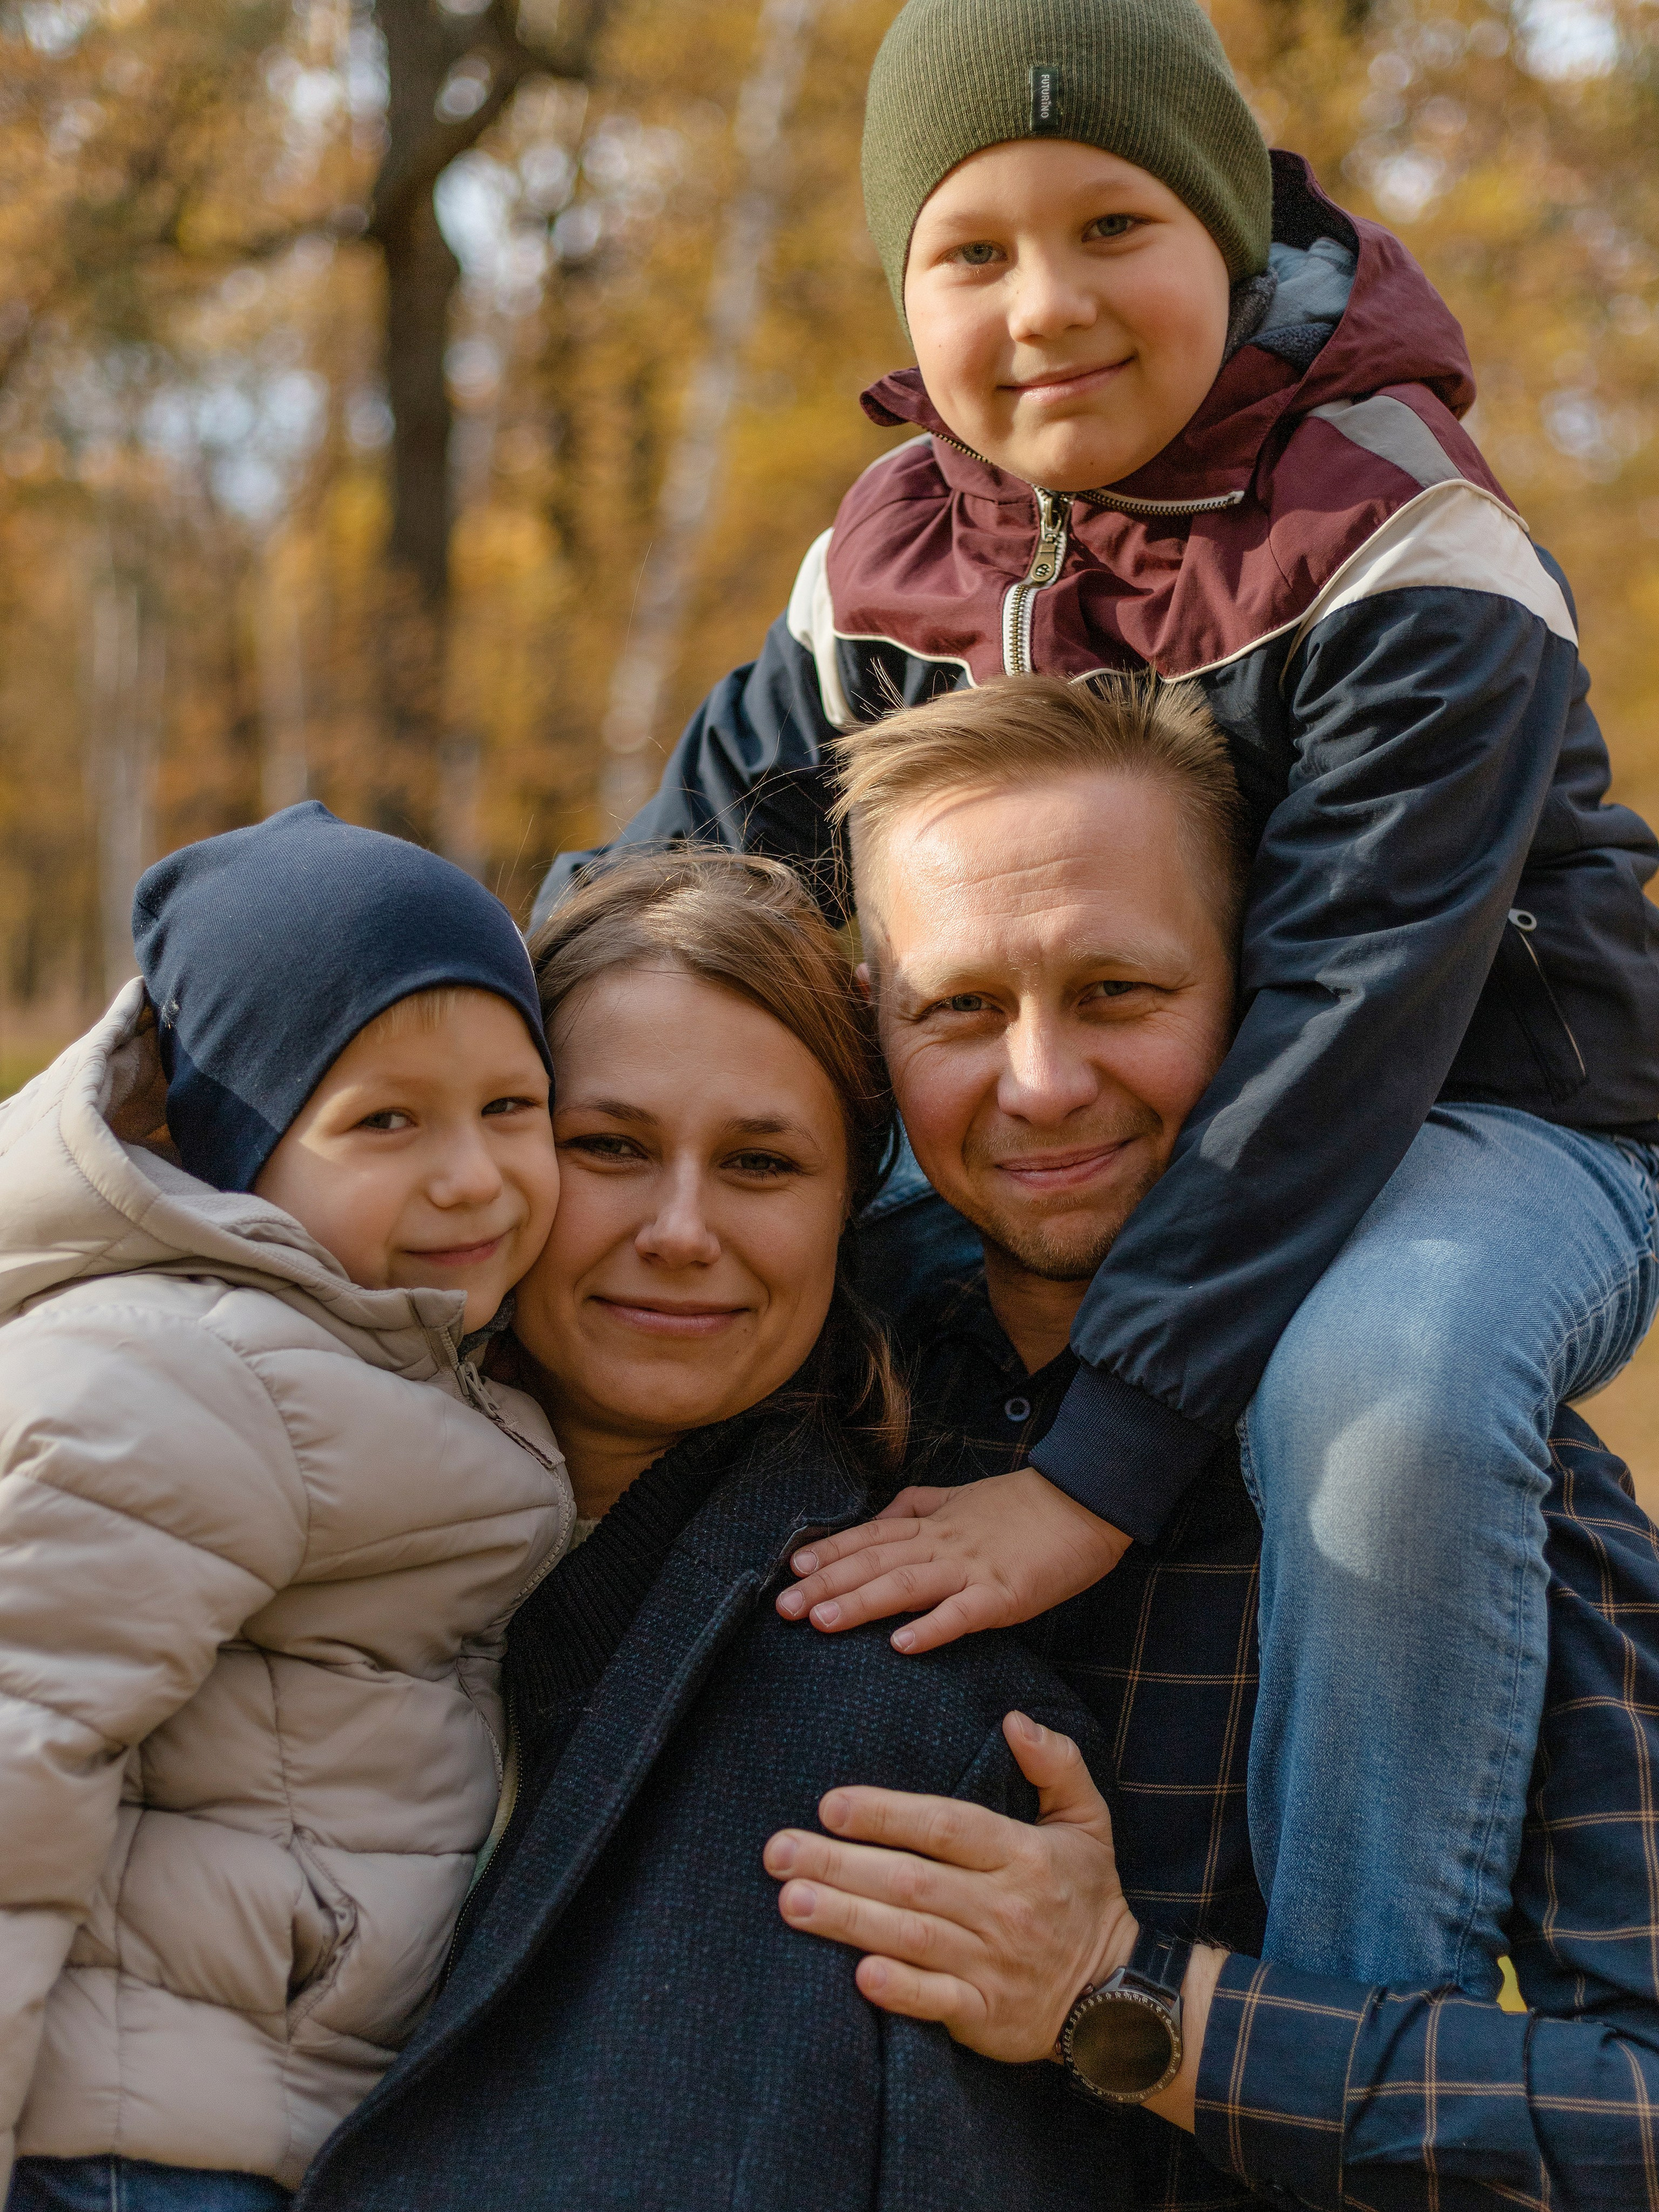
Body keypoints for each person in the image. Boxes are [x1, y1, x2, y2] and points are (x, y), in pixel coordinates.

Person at [537, 0, 1659, 1996]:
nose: (1045, 304)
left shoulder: (1404, 535)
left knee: (1382, 1394)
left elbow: (1337, 1025)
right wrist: (420, 1085)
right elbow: (663, 900)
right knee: (762, 1267)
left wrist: (1087, 1474)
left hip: (1485, 1113)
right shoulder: (877, 559)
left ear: (1230, 239)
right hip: (1142, 1105)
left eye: (1113, 226)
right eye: (974, 251)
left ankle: (1345, 1995)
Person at [755, 679, 1659, 2206]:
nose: (1039, 1084)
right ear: (873, 1034)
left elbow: (1637, 2115)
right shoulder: (793, 1397)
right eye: (959, 1008)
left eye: (1116, 992)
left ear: (1262, 1008)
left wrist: (1134, 2005)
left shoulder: (1434, 1455)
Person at [291, 848, 1154, 2212]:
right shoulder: (235, 1554)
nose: (680, 1231)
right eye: (611, 1148)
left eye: (760, 1162)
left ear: (846, 1213)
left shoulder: (911, 1742)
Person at [0, 804, 574, 2211]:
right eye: (383, 1121)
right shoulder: (184, 1371)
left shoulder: (367, 1351)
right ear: (236, 1148)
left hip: (245, 2116)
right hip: (132, 2147)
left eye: (512, 1107)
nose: (471, 1174)